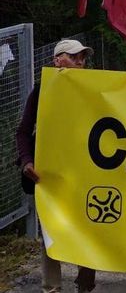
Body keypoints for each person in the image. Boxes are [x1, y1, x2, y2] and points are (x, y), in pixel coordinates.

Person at [17, 39, 97, 293]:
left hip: (84, 175)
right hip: (49, 178)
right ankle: (51, 288)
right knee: (51, 234)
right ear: (57, 60)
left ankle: (86, 284)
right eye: (74, 57)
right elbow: (23, 131)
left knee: (88, 229)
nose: (80, 62)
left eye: (82, 58)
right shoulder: (42, 91)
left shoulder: (94, 89)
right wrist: (27, 161)